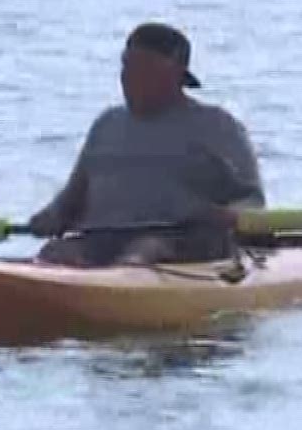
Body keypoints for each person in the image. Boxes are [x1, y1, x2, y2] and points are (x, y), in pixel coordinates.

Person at [26, 22, 265, 267]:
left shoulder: (218, 126)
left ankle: (121, 285)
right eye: (127, 67)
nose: (131, 78)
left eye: (145, 70)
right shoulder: (107, 125)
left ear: (177, 74)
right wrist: (50, 217)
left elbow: (253, 201)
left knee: (145, 250)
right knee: (55, 254)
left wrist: (228, 215)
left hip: (184, 238)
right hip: (103, 238)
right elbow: (73, 198)